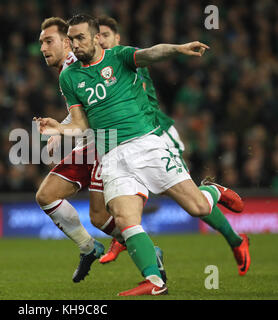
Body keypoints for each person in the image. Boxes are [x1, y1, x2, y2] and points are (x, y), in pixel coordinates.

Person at [36, 14, 250, 296]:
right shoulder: (69, 77)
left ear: (96, 38)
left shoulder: (121, 58)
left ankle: (212, 192)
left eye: (79, 38)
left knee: (197, 207)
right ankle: (155, 281)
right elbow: (81, 122)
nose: (74, 44)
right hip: (110, 153)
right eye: (71, 40)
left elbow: (152, 53)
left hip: (148, 142)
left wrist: (178, 48)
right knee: (123, 219)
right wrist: (59, 129)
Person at [96, 15, 250, 275]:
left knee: (194, 205)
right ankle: (129, 239)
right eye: (97, 36)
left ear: (118, 38)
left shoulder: (126, 61)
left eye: (106, 35)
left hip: (158, 134)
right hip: (127, 142)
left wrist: (177, 49)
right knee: (127, 194)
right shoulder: (95, 70)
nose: (101, 41)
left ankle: (234, 237)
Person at [36, 17, 167, 283]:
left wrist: (62, 129)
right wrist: (61, 128)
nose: (43, 48)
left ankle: (148, 256)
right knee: (46, 195)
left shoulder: (78, 65)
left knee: (99, 216)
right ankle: (88, 247)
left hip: (108, 145)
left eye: (49, 41)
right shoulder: (68, 73)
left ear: (66, 42)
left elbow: (99, 105)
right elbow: (84, 111)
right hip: (90, 143)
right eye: (41, 43)